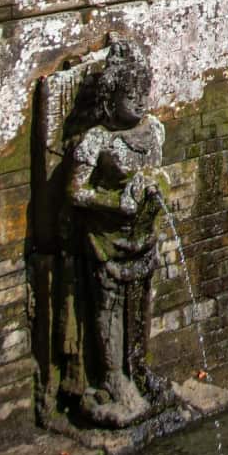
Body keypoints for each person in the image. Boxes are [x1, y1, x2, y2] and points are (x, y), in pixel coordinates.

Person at [65, 40, 166, 428]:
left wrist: (156, 190)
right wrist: (113, 204)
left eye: (144, 92)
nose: (140, 101)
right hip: (106, 237)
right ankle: (112, 377)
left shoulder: (153, 129)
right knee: (110, 304)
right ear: (110, 99)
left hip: (143, 231)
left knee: (141, 298)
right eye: (130, 94)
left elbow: (156, 173)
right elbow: (76, 191)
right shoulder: (97, 140)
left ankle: (138, 367)